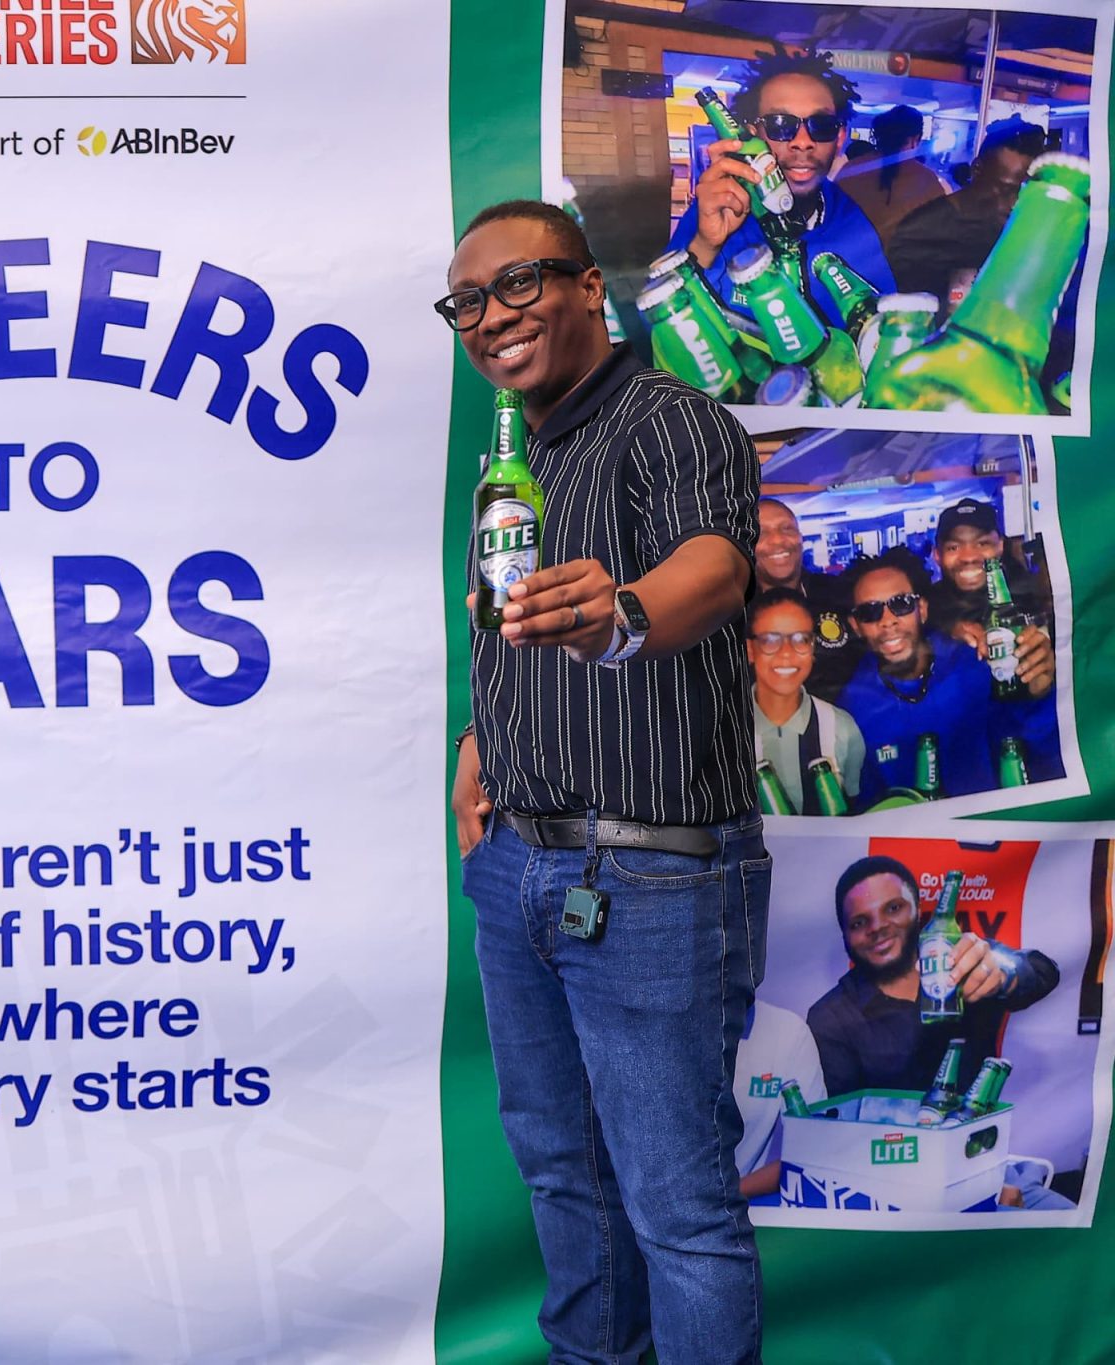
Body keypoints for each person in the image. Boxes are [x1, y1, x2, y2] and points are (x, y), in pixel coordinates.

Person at [443, 198, 768, 1363]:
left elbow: (712, 570)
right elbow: (511, 627)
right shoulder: (514, 462)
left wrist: (622, 612)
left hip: (648, 876)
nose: (490, 315)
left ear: (589, 287)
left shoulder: (671, 422)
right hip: (518, 868)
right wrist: (481, 739)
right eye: (465, 302)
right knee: (561, 1178)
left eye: (517, 283)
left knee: (676, 1210)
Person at [669, 47, 896, 321]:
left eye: (821, 125)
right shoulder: (714, 211)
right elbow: (658, 332)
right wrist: (706, 246)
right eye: (780, 124)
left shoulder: (854, 223)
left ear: (839, 139)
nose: (802, 141)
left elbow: (884, 328)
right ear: (753, 135)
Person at [805, 855, 1056, 1100]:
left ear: (918, 910)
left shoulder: (963, 960)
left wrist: (1004, 973)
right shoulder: (830, 1018)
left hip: (976, 1129)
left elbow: (1044, 971)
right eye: (859, 922)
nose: (878, 927)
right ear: (845, 935)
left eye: (893, 908)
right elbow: (842, 1119)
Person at [835, 552, 1059, 795]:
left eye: (901, 603)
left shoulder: (975, 662)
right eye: (869, 612)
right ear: (856, 626)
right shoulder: (852, 708)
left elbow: (1038, 754)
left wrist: (1039, 696)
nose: (888, 621)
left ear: (922, 610)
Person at [888, 117, 1049, 312]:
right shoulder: (920, 234)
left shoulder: (1024, 231)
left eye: (1026, 193)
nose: (1015, 202)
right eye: (1005, 190)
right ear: (977, 169)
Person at [746, 587, 878, 812]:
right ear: (750, 650)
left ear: (812, 647)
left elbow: (856, 812)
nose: (786, 653)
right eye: (769, 640)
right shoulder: (722, 733)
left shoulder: (841, 728)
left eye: (801, 639)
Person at [754, 496, 858, 698]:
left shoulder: (839, 594)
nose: (777, 540)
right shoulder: (730, 615)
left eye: (787, 528)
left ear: (800, 538)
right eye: (761, 533)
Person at [923, 495, 1053, 648]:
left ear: (1000, 546)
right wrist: (948, 631)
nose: (969, 557)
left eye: (982, 543)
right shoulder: (926, 609)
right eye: (953, 547)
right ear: (937, 555)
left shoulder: (1032, 597)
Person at [733, 1001, 825, 1203]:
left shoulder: (788, 1032)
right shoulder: (665, 1031)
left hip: (747, 1208)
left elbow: (812, 1152)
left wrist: (725, 1196)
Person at [834, 105, 949, 241]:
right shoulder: (927, 181)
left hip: (849, 251)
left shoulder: (852, 170)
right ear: (915, 140)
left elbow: (832, 218)